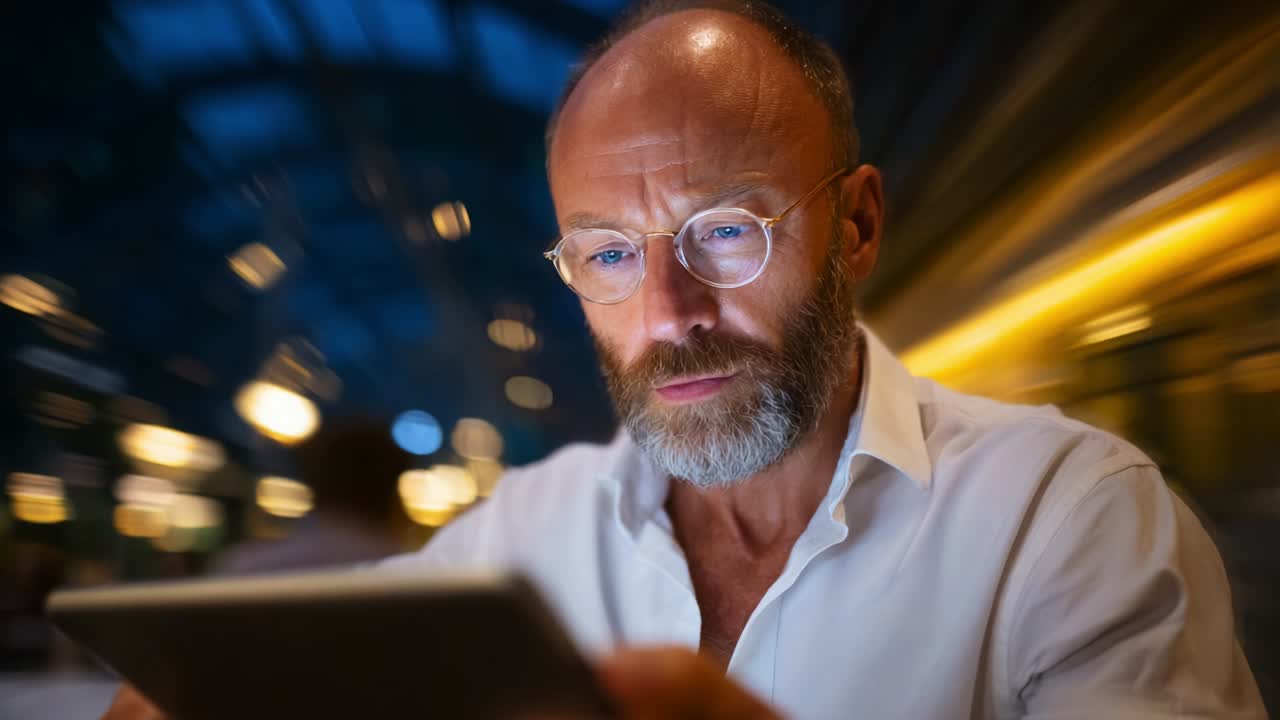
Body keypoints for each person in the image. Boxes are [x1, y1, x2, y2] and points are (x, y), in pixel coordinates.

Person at [106, 1, 1265, 718]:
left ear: (855, 226)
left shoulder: (1070, 519)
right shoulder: (526, 528)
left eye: (725, 230)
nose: (667, 313)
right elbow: (257, 677)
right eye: (606, 254)